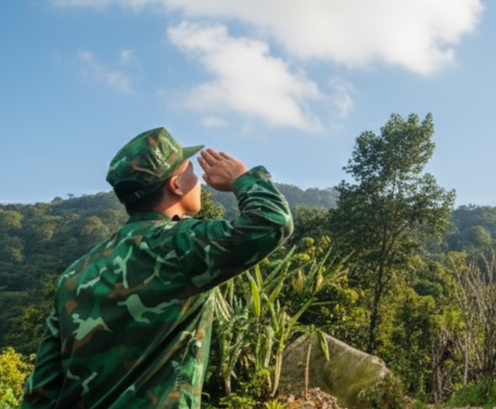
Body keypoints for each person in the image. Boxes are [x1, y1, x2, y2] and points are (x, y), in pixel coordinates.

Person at [21, 127, 293, 408]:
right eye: (190, 171)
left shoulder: (75, 273)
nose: (199, 180)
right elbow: (271, 222)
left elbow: (41, 391)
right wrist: (242, 179)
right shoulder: (177, 244)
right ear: (175, 185)